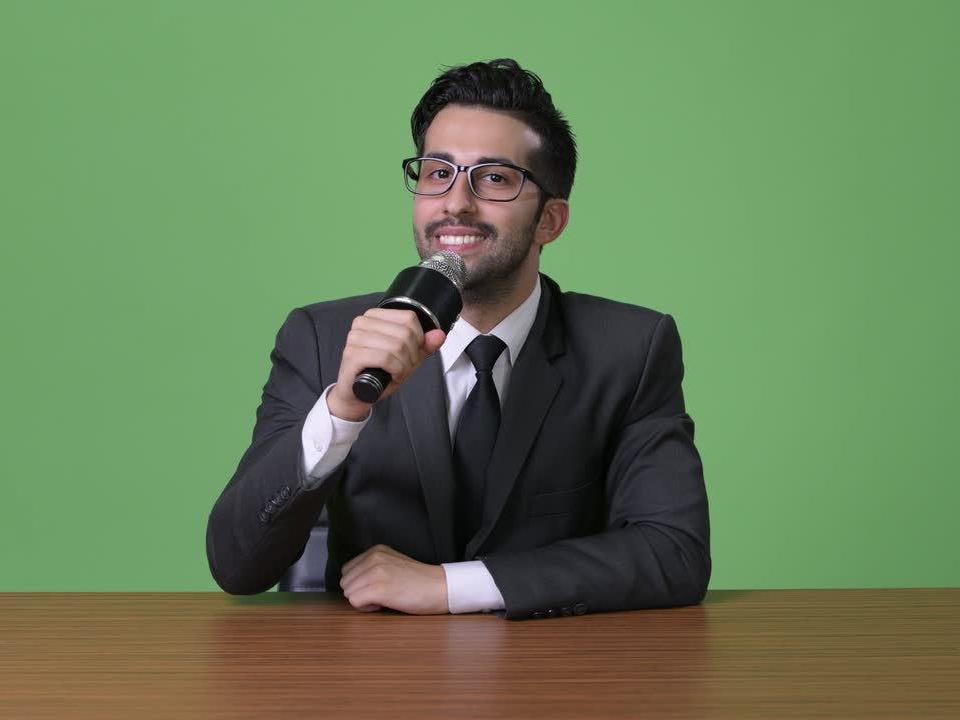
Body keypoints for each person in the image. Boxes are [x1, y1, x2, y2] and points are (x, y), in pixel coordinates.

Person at [206, 59, 710, 620]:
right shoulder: (323, 338)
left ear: (551, 221)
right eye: (436, 172)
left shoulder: (630, 349)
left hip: (557, 677)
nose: (455, 202)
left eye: (493, 178)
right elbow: (236, 565)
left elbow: (674, 552)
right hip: (368, 679)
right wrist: (343, 408)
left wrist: (449, 586)